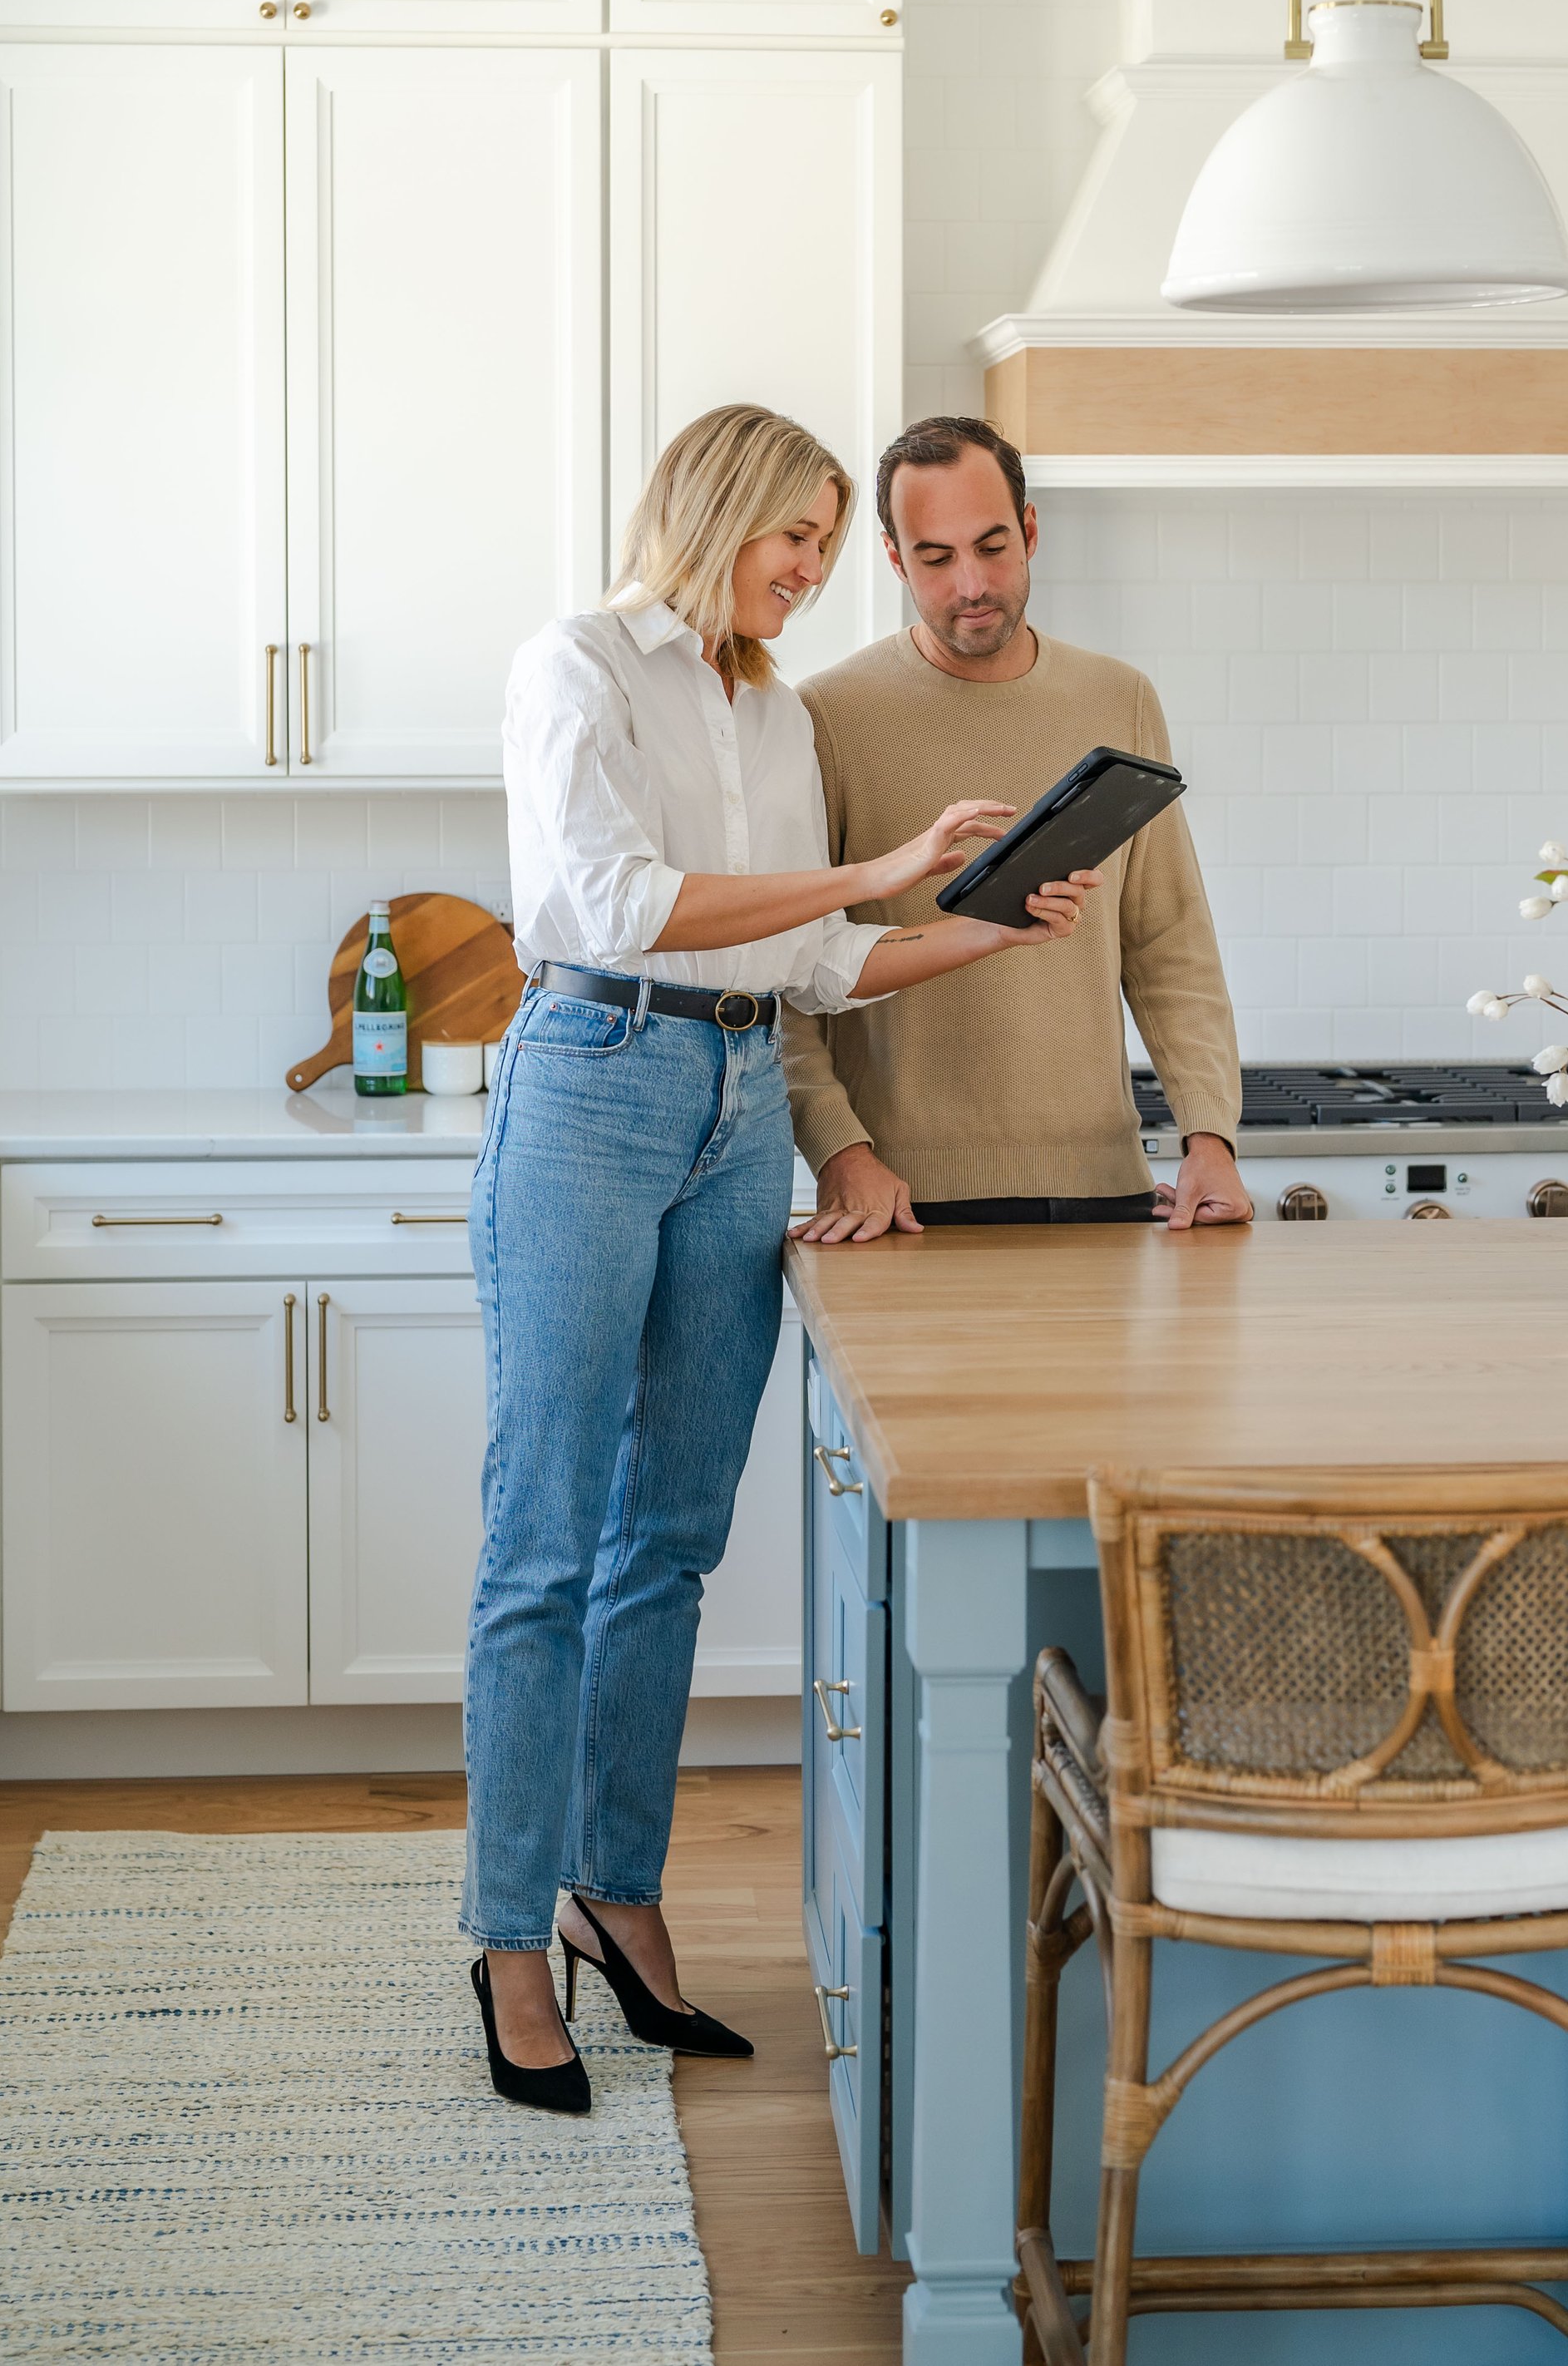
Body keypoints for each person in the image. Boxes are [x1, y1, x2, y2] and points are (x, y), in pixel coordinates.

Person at [463, 403, 1099, 2113]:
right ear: (721, 511)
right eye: (799, 538)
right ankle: (508, 1939)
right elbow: (602, 902)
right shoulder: (578, 666)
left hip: (739, 1099)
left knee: (665, 1540)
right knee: (543, 1536)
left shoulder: (763, 706)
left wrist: (975, 919)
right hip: (592, 1083)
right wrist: (879, 867)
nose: (816, 572)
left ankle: (618, 1892)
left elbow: (814, 963)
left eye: (829, 545)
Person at [789, 414, 1250, 1243]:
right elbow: (786, 968)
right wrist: (837, 1150)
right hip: (897, 1200)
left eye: (992, 546)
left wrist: (1208, 1135)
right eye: (934, 558)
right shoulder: (826, 716)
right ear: (895, 560)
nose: (971, 582)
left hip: (1101, 1186)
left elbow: (1168, 940)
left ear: (1030, 531)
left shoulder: (1119, 698)